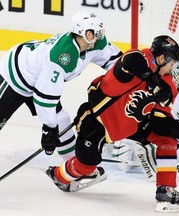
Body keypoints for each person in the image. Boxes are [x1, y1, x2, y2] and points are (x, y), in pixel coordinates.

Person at [45, 35, 179, 212]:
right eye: (171, 64)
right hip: (99, 120)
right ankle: (58, 175)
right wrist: (149, 78)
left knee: (167, 140)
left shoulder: (167, 84)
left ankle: (165, 192)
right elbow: (130, 60)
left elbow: (160, 121)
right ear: (161, 59)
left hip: (132, 124)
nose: (172, 69)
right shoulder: (143, 59)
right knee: (86, 164)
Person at [0, 11, 122, 160]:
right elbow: (43, 97)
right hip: (15, 74)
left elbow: (116, 62)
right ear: (87, 34)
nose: (101, 37)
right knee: (53, 120)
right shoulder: (62, 57)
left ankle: (73, 169)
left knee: (61, 119)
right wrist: (49, 128)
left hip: (38, 76)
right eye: (97, 33)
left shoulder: (92, 45)